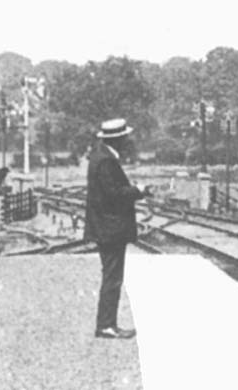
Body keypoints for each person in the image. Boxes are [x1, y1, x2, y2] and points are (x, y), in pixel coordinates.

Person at [84, 118, 152, 339]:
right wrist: (138, 190)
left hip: (106, 226)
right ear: (118, 139)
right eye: (125, 138)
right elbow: (114, 194)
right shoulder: (106, 161)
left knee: (111, 275)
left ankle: (108, 324)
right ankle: (105, 325)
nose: (127, 141)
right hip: (110, 227)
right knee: (112, 277)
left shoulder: (101, 156)